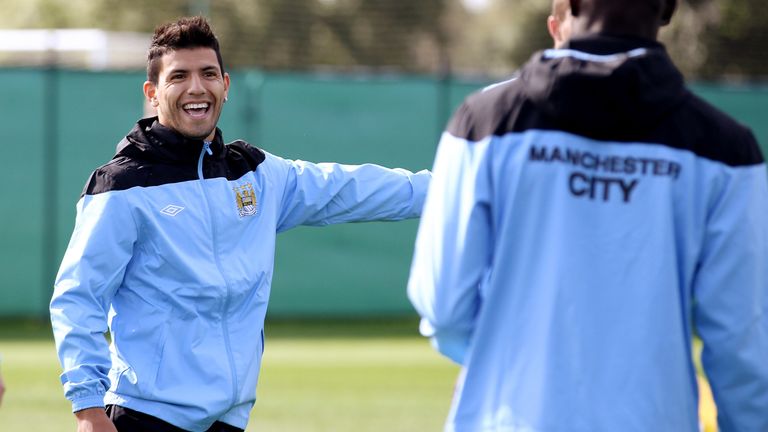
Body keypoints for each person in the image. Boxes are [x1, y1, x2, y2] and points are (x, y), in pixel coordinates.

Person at [50, 16, 430, 432]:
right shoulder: (121, 186)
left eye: (208, 74)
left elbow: (351, 188)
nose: (197, 87)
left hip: (229, 420)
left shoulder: (255, 173)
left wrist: (455, 192)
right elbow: (78, 299)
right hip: (147, 418)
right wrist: (87, 409)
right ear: (153, 93)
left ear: (225, 86)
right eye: (179, 76)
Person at [407, 0, 768, 430]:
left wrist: (512, 367)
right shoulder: (728, 149)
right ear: (667, 10)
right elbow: (741, 337)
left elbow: (444, 306)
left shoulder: (482, 123)